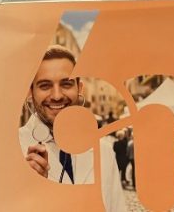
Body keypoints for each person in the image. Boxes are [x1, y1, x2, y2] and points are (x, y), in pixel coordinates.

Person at [19, 45, 127, 211]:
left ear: (79, 88)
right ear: (30, 92)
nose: (57, 96)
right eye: (45, 85)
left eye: (66, 84)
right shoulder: (11, 151)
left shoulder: (103, 151)